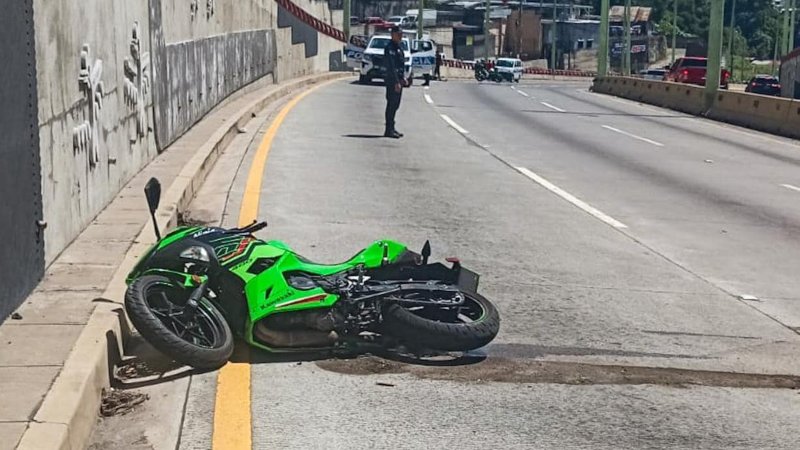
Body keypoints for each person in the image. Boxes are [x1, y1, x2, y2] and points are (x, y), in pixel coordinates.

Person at [384, 26, 406, 138]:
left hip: (399, 80)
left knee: (396, 105)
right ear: (393, 35)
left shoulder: (399, 47)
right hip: (392, 81)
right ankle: (388, 130)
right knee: (391, 105)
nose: (401, 36)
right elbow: (392, 67)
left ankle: (392, 128)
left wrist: (404, 78)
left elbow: (401, 64)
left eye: (401, 34)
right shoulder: (390, 48)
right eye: (399, 34)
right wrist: (396, 82)